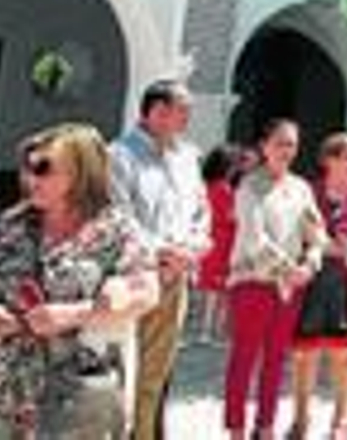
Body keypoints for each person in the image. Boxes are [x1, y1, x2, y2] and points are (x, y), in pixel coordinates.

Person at [0, 123, 160, 438]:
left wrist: (76, 314)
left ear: (81, 172)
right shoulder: (11, 227)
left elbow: (147, 292)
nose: (31, 179)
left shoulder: (116, 231)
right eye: (28, 167)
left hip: (73, 399)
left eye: (43, 169)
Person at [109, 79, 211, 440]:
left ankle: (146, 433)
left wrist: (192, 248)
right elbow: (119, 216)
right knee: (123, 367)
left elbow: (201, 210)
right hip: (134, 277)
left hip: (175, 277)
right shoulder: (119, 156)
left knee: (157, 370)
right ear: (157, 111)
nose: (188, 118)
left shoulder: (187, 157)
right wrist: (161, 252)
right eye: (183, 111)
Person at [223, 119, 328, 440]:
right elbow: (255, 238)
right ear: (264, 146)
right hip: (252, 281)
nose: (286, 150)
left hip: (289, 288)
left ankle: (266, 426)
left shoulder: (301, 188)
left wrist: (310, 263)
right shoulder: (250, 186)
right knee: (244, 357)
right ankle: (236, 429)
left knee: (276, 359)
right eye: (280, 143)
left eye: (291, 144)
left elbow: (317, 233)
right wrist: (289, 269)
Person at [290, 133, 347, 438]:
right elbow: (301, 235)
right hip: (311, 282)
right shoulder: (309, 193)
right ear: (328, 161)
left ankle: (341, 421)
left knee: (344, 356)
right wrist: (334, 247)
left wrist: (333, 246)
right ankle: (301, 419)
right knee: (304, 356)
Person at [192, 146, 238, 345]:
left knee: (207, 287)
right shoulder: (224, 189)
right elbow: (230, 217)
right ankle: (211, 332)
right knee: (217, 290)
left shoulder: (206, 187)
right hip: (223, 241)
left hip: (209, 238)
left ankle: (204, 330)